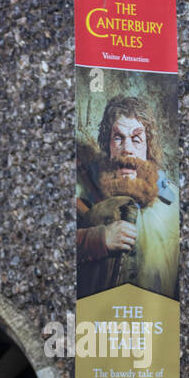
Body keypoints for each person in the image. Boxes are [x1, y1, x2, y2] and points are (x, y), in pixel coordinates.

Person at [76, 95, 179, 299]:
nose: (127, 149)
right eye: (118, 138)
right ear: (108, 145)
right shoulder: (84, 193)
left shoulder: (175, 203)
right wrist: (99, 238)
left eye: (136, 139)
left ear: (149, 147)